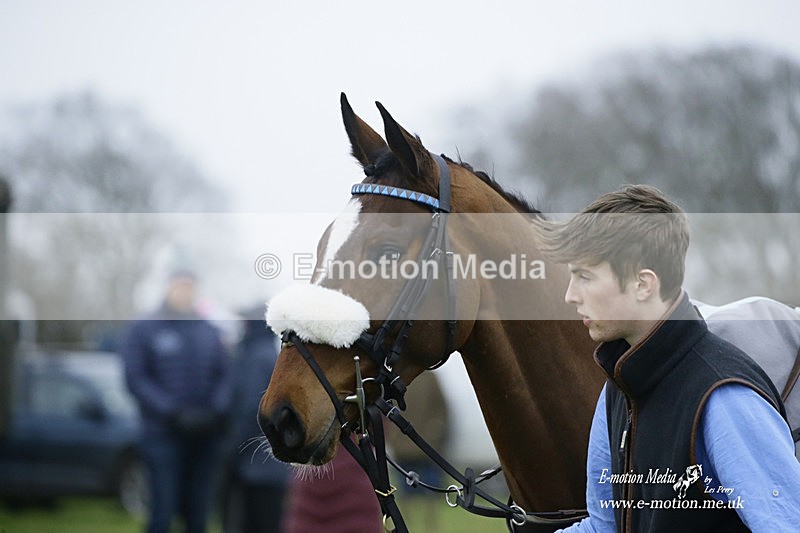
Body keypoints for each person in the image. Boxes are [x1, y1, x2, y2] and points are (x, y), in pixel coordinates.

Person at [538, 185, 800, 532]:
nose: (570, 296)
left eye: (584, 276)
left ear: (643, 284)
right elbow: (604, 527)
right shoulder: (618, 387)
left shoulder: (722, 398)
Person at [122, 269, 233, 533]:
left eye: (190, 286)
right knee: (163, 511)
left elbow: (226, 375)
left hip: (205, 437)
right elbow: (136, 379)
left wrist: (215, 411)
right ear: (168, 287)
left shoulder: (209, 331)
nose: (185, 292)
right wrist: (172, 413)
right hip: (162, 436)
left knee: (198, 515)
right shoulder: (144, 328)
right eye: (180, 286)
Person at [222, 306, 289, 533]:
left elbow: (250, 408)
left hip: (257, 465)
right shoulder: (266, 353)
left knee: (259, 523)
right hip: (267, 464)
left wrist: (231, 449)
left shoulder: (256, 357)